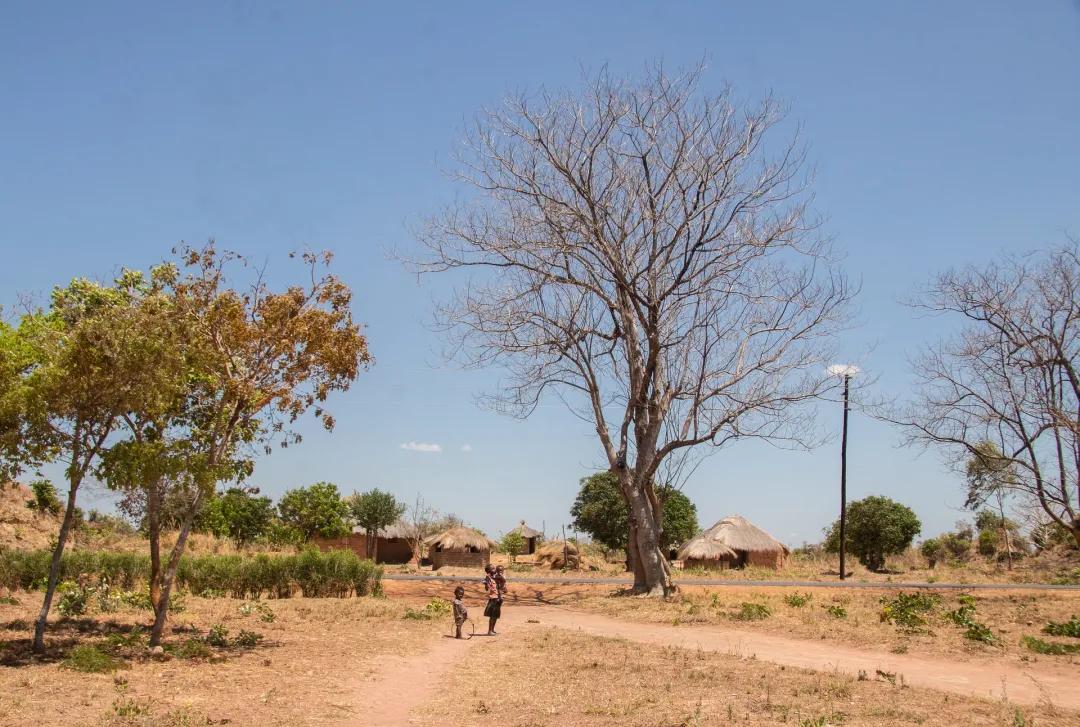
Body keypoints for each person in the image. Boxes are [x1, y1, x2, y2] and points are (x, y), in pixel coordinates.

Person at [483, 563, 502, 635]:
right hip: (493, 598)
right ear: (489, 571)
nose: (495, 569)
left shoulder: (496, 577)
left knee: (496, 616)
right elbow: (486, 588)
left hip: (498, 598)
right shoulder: (488, 578)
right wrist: (486, 584)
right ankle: (489, 630)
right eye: (493, 568)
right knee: (492, 616)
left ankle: (492, 630)